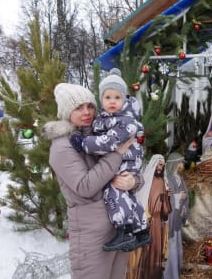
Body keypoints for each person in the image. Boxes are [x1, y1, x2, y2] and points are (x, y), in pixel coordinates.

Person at [42, 82, 140, 279]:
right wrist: (117, 153)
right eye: (78, 108)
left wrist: (134, 182)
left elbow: (130, 167)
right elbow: (85, 186)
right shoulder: (62, 147)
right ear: (66, 112)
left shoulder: (103, 136)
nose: (86, 112)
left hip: (117, 230)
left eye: (90, 106)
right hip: (91, 236)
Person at [70, 73, 150, 252]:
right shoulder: (107, 117)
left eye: (117, 97)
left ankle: (125, 230)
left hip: (126, 162)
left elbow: (109, 142)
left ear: (124, 99)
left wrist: (83, 143)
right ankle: (141, 231)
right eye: (107, 97)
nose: (112, 101)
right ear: (101, 99)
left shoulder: (126, 121)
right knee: (128, 196)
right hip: (122, 161)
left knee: (113, 191)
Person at [127, 154, 171, 279]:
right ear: (154, 165)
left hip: (157, 223)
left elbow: (165, 207)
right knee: (144, 252)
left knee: (156, 251)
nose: (160, 168)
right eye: (158, 164)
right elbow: (141, 199)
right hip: (146, 221)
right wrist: (145, 217)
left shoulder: (164, 181)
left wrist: (168, 196)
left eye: (162, 165)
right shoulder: (145, 181)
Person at [163, 152, 189, 279]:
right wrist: (178, 197)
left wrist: (184, 207)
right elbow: (165, 197)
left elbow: (186, 196)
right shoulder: (167, 178)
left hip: (178, 216)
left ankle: (177, 271)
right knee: (171, 246)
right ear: (175, 164)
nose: (181, 165)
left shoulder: (180, 179)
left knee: (177, 244)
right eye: (179, 163)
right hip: (171, 218)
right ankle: (170, 275)